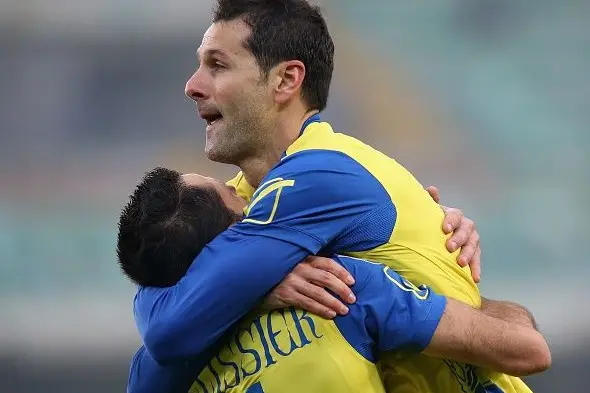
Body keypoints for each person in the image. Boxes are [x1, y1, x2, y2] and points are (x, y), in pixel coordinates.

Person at [134, 0, 535, 392]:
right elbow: (155, 301)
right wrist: (250, 286)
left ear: (287, 80)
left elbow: (167, 327)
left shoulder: (320, 175)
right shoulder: (234, 201)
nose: (192, 86)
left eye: (217, 65)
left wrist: (244, 288)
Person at [119, 168, 550, 393]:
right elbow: (526, 347)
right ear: (234, 235)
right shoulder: (341, 285)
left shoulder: (155, 372)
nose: (247, 191)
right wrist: (431, 256)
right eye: (233, 193)